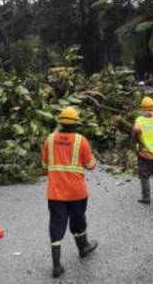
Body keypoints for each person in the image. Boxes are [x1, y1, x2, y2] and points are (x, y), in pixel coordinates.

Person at [42, 107, 98, 278]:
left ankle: (56, 266)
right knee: (78, 221)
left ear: (60, 122)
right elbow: (90, 165)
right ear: (76, 124)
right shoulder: (82, 141)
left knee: (56, 225)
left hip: (56, 193)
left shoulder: (49, 140)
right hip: (76, 193)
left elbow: (44, 166)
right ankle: (83, 247)